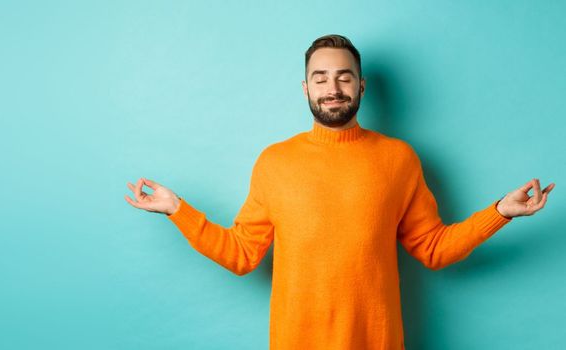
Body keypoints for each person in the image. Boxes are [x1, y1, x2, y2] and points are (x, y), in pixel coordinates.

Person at [124, 34, 554, 349]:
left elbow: (434, 248)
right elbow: (241, 254)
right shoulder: (275, 161)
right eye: (321, 78)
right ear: (306, 87)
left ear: (361, 87)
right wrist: (175, 209)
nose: (333, 89)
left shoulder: (399, 159)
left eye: (344, 78)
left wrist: (501, 211)